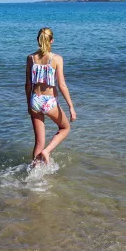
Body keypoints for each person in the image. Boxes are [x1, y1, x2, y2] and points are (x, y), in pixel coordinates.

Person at [25, 28, 76, 164]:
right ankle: (47, 151)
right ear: (52, 40)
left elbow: (28, 84)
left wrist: (28, 104)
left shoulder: (31, 58)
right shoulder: (56, 59)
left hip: (35, 99)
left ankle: (34, 175)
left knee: (39, 141)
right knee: (65, 128)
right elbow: (62, 85)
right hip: (49, 102)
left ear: (38, 40)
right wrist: (71, 106)